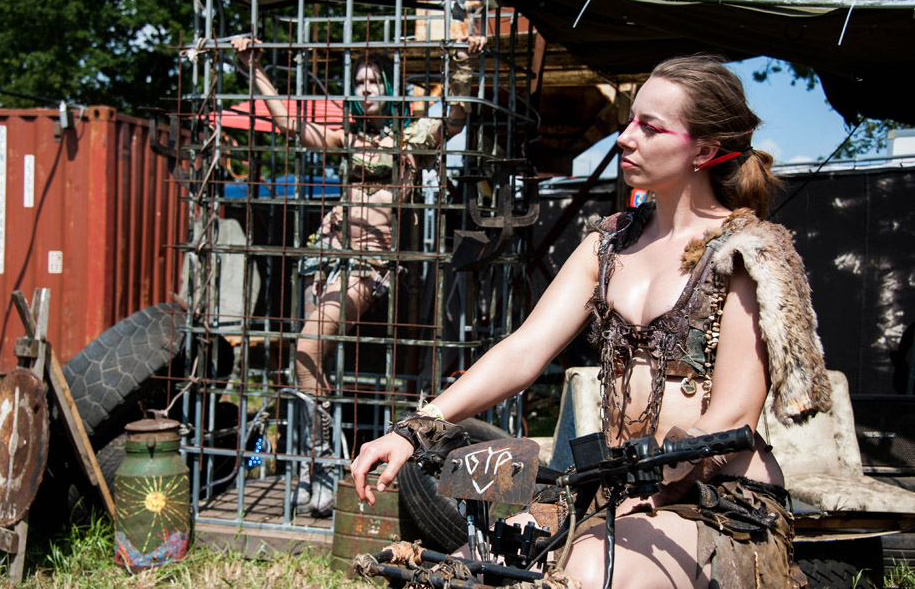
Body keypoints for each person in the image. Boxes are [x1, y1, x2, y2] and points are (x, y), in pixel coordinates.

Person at [350, 54, 832, 588]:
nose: (626, 138)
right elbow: (523, 350)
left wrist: (634, 502)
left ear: (705, 150)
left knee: (586, 572)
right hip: (611, 489)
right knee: (471, 570)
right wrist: (415, 430)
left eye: (650, 127)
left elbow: (729, 421)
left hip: (715, 502)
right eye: (630, 121)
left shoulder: (747, 254)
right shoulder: (607, 243)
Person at [232, 34, 487, 517]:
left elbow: (454, 116)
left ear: (389, 88)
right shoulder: (347, 139)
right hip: (326, 257)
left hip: (369, 267)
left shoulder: (409, 138)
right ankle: (313, 471)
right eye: (359, 82)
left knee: (307, 350)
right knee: (308, 365)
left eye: (374, 80)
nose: (366, 89)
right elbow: (290, 125)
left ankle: (326, 471)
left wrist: (463, 63)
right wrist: (254, 69)